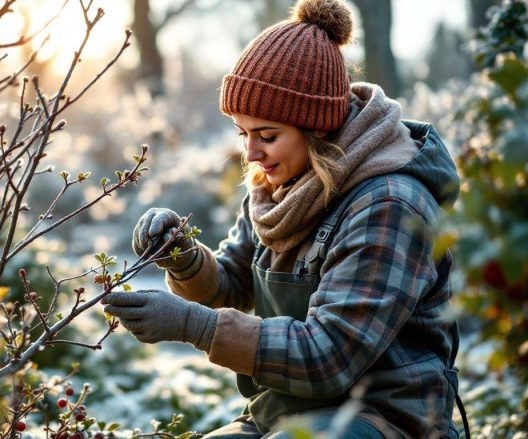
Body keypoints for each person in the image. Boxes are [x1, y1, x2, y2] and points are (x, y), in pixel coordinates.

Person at [102, 0, 463, 437]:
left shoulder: (390, 204)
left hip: (384, 420)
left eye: (267, 136)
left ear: (318, 128)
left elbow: (328, 357)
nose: (250, 153)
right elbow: (231, 286)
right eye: (243, 133)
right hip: (280, 415)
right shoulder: (281, 188)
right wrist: (183, 258)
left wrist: (190, 325)